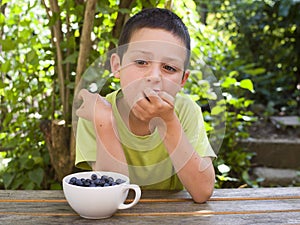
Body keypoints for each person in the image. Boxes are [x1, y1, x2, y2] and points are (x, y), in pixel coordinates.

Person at [75, 8, 216, 203]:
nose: (154, 77)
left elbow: (202, 192)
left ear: (183, 79)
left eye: (169, 68)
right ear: (117, 66)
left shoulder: (185, 111)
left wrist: (168, 121)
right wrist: (105, 120)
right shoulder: (97, 111)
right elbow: (114, 196)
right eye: (141, 62)